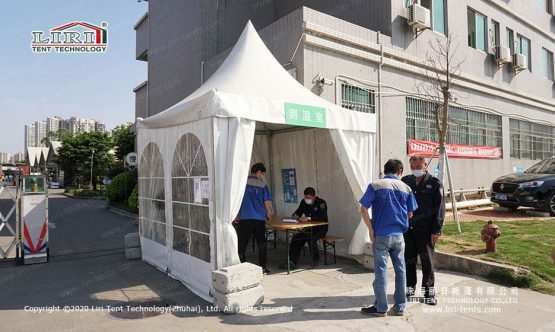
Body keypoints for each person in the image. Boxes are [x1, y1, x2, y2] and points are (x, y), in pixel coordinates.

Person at [359, 159, 417, 317]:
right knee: (401, 271)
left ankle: (381, 308)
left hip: (381, 236)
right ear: (400, 171)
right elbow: (410, 213)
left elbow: (363, 209)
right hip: (399, 236)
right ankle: (399, 307)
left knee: (381, 272)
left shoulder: (375, 185)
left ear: (385, 171)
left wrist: (370, 230)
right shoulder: (406, 188)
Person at [402, 155, 445, 306]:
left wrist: (436, 230)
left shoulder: (434, 183)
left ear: (425, 165)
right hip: (409, 229)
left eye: (418, 167)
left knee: (427, 262)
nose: (415, 169)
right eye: (413, 167)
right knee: (409, 259)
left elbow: (440, 208)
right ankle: (409, 287)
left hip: (426, 230)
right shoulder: (405, 181)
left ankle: (428, 293)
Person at [235, 163, 273, 274]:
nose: (261, 176)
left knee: (242, 245)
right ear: (258, 172)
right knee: (262, 245)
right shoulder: (262, 185)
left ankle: (241, 267)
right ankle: (263, 268)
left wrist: (236, 214)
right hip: (259, 220)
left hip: (244, 219)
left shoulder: (241, 183)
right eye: (262, 173)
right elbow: (266, 202)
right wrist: (268, 213)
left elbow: (236, 200)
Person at [279, 187, 328, 269]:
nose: (307, 199)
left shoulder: (321, 203)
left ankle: (316, 260)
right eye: (305, 197)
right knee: (296, 238)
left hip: (321, 228)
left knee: (311, 238)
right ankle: (292, 262)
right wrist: (295, 216)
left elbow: (323, 216)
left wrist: (308, 218)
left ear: (314, 196)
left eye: (308, 198)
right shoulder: (304, 202)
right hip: (309, 227)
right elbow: (298, 212)